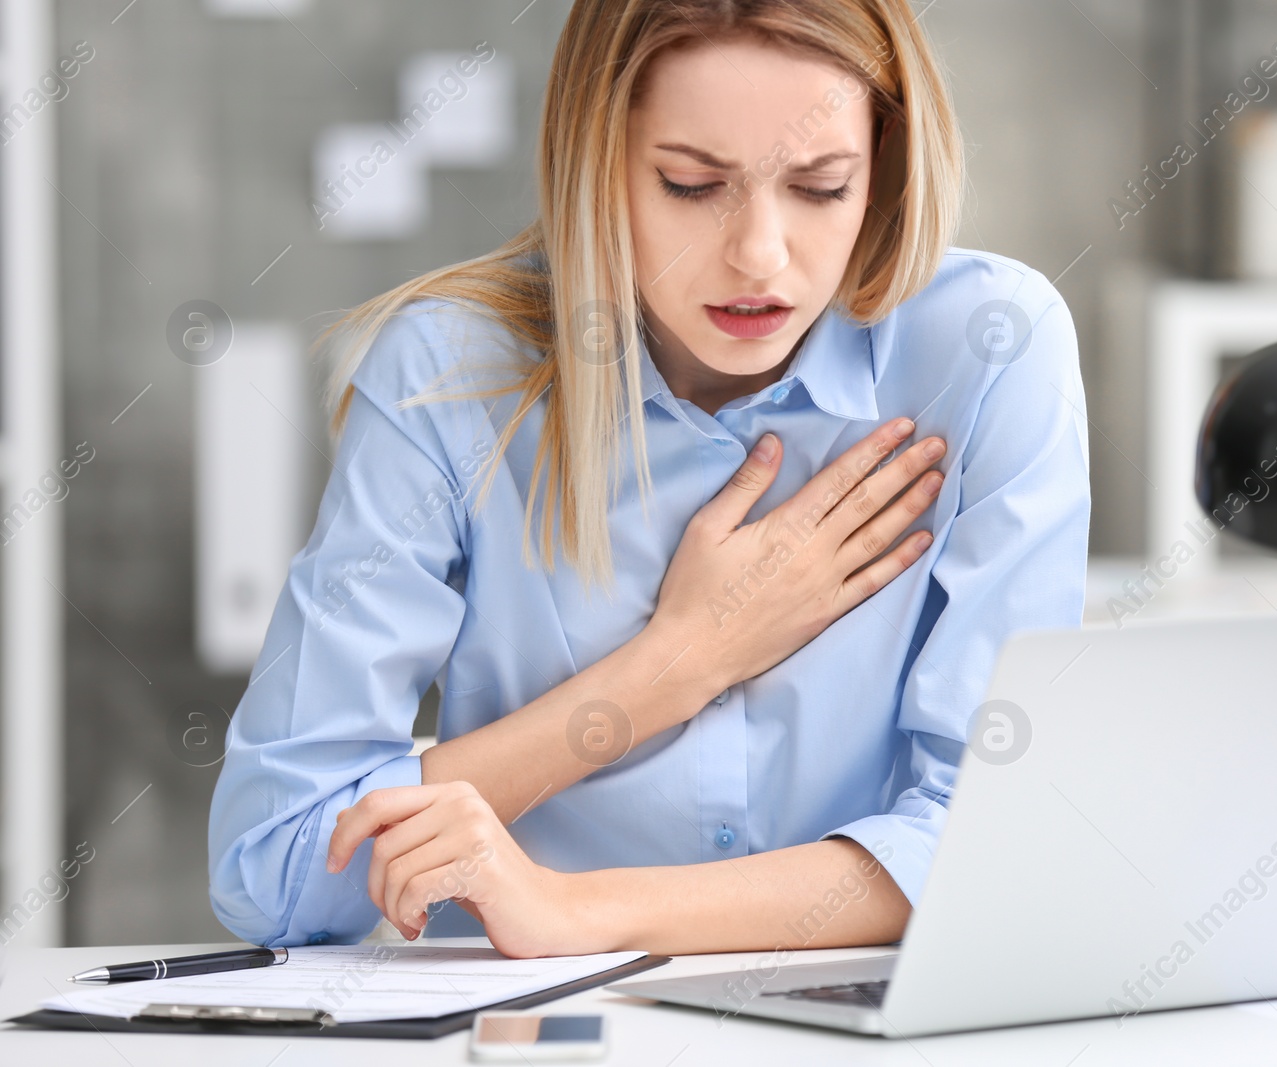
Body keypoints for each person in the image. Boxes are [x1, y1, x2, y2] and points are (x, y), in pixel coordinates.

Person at [208, 0, 1090, 958]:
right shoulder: (447, 377)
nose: (760, 254)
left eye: (821, 186)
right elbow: (276, 870)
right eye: (691, 183)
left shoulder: (990, 352)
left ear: (883, 166)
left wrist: (578, 910)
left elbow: (991, 837)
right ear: (599, 164)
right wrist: (671, 667)